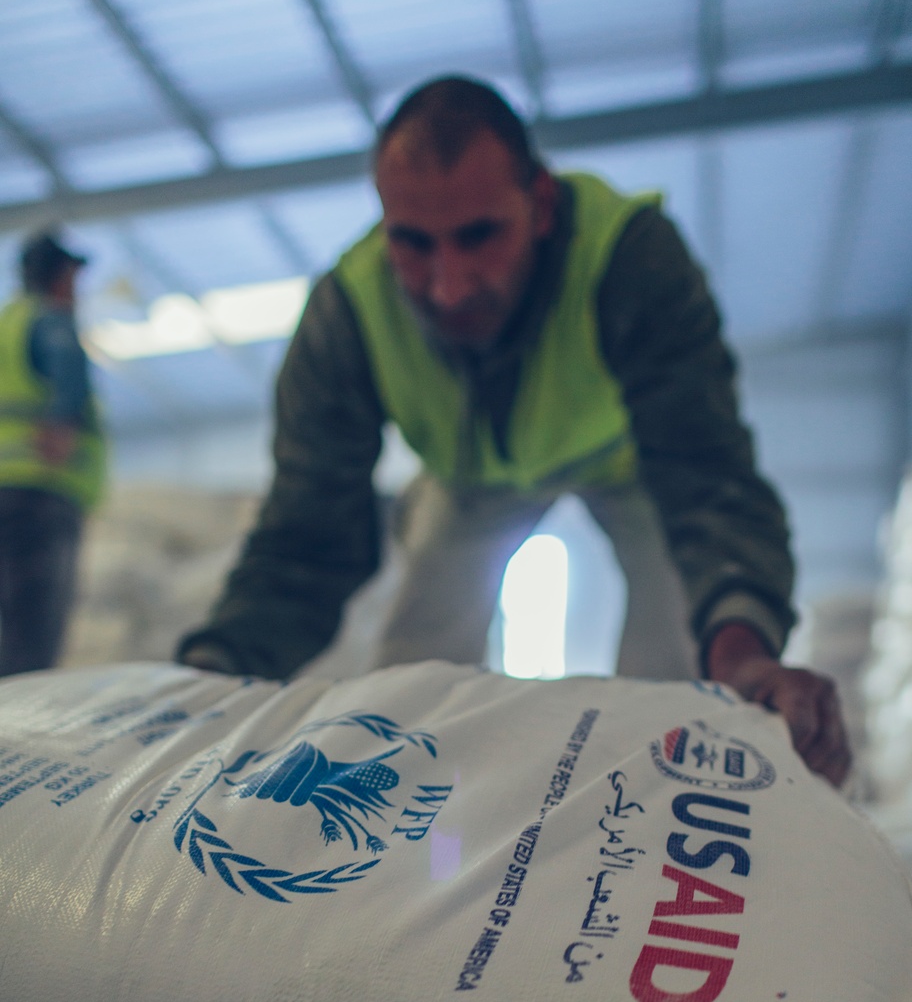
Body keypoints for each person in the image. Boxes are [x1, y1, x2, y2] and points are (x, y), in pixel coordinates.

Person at [178, 77, 849, 787]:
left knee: (682, 676)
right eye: (412, 243)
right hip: (468, 486)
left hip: (632, 470)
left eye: (479, 236)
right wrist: (212, 672)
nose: (449, 285)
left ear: (542, 206)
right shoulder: (348, 313)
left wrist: (741, 656)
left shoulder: (629, 259)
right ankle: (419, 830)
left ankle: (653, 814)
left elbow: (709, 477)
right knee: (412, 678)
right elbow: (306, 534)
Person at [0, 230, 107, 676]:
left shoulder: (8, 322)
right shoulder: (52, 320)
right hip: (41, 491)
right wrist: (61, 429)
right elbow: (70, 384)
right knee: (34, 630)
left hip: (7, 489)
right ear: (61, 276)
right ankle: (21, 736)